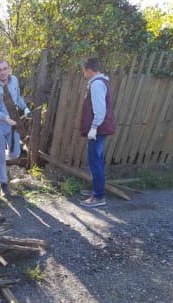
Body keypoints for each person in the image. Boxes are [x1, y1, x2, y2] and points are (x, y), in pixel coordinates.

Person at [0, 59, 31, 197]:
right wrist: (6, 119)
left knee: (15, 153)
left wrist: (25, 109)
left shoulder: (14, 81)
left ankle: (1, 156)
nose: (3, 72)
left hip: (13, 123)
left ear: (9, 68)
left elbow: (17, 98)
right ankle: (3, 184)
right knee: (0, 156)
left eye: (5, 68)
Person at [79, 57, 116, 207]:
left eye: (83, 71)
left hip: (98, 130)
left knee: (95, 162)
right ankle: (96, 189)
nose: (83, 74)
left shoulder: (96, 84)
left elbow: (100, 110)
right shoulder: (100, 82)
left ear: (89, 70)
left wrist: (93, 128)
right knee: (96, 160)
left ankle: (98, 197)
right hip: (99, 129)